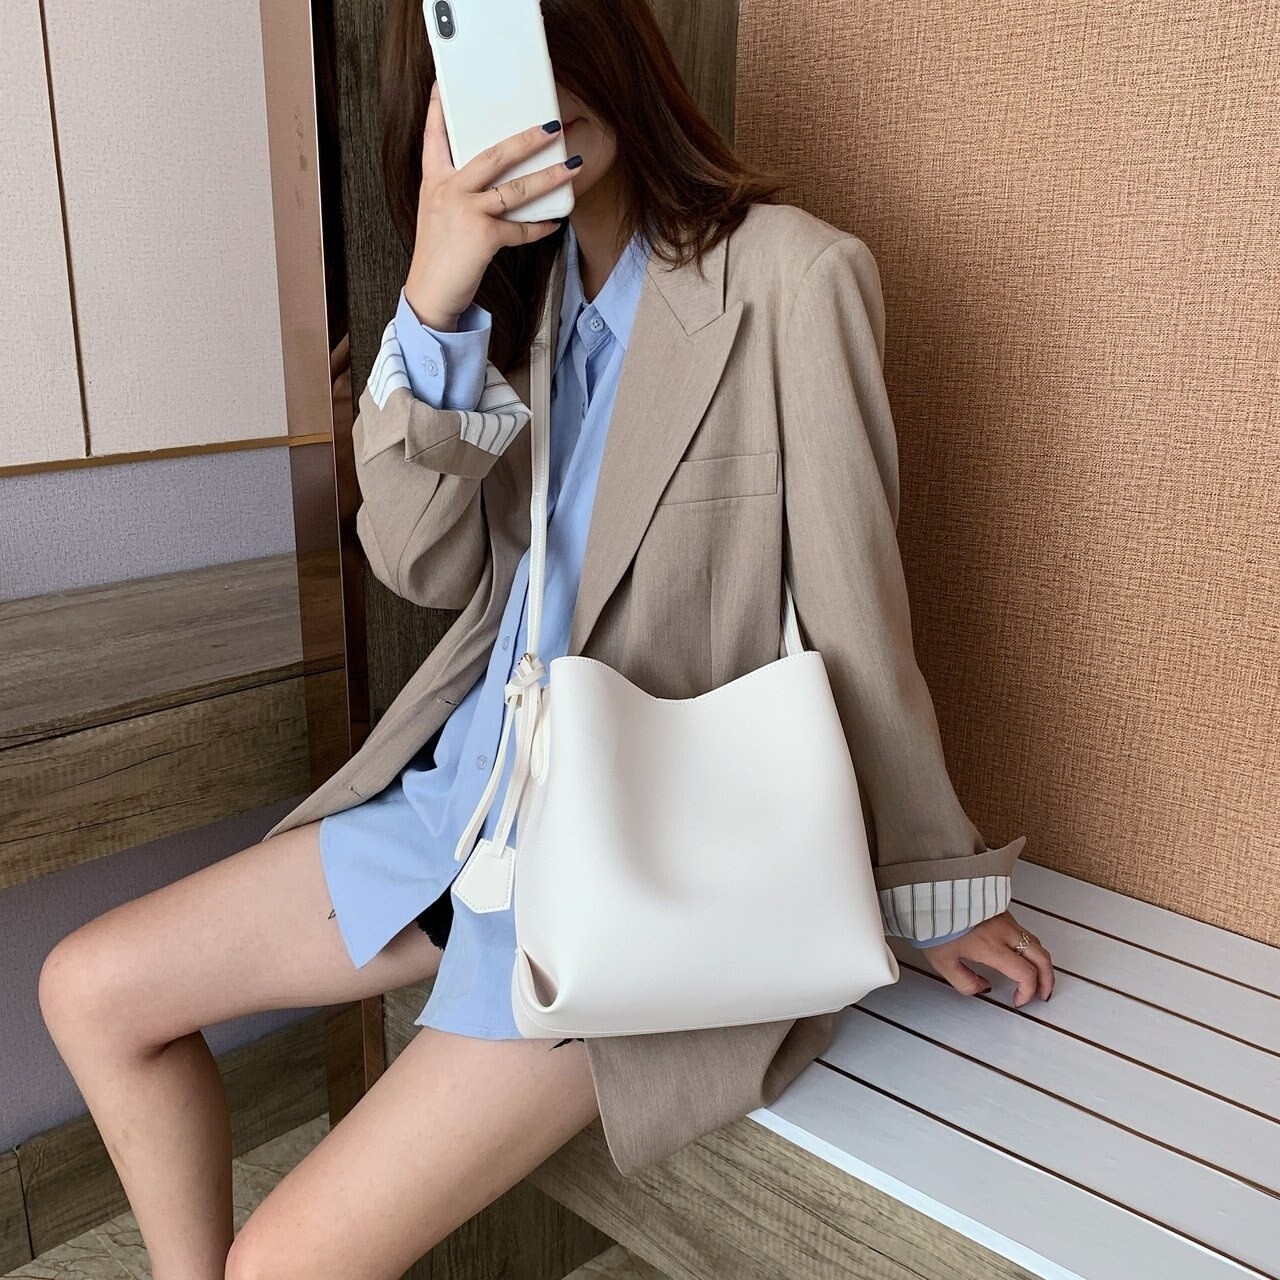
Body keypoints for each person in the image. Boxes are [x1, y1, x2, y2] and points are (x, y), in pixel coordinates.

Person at [37, 2, 1054, 1276]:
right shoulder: (519, 312)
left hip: (634, 867)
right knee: (89, 989)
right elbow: (416, 560)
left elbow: (859, 614)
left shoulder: (793, 278)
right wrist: (433, 291)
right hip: (469, 803)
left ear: (611, 42)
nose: (535, 85)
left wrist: (930, 890)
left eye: (549, 32)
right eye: (483, 53)